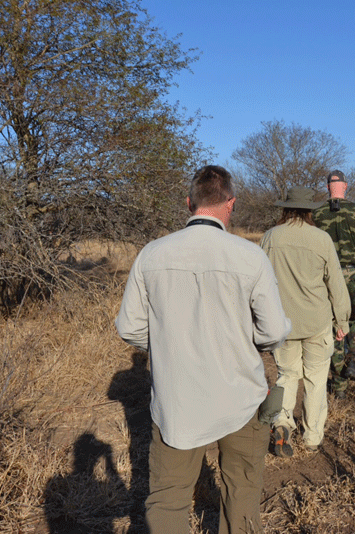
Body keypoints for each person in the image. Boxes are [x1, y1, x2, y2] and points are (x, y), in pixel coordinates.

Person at [115, 165, 291, 534]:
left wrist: (169, 342)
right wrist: (246, 340)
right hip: (241, 394)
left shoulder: (152, 254)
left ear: (189, 202)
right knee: (242, 490)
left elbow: (129, 327)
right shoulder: (250, 256)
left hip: (177, 399)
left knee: (167, 497)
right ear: (231, 203)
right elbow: (274, 331)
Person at [260, 187, 350, 457]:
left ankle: (282, 424)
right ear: (310, 210)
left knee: (286, 376)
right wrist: (342, 320)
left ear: (285, 209)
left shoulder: (270, 237)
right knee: (316, 378)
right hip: (317, 321)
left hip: (281, 322)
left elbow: (259, 281)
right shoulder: (321, 239)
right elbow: (335, 282)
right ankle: (312, 436)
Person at [312, 170, 355, 399]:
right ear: (346, 186)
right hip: (352, 273)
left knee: (334, 327)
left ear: (328, 186)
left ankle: (338, 386)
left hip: (326, 275)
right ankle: (353, 360)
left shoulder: (317, 213)